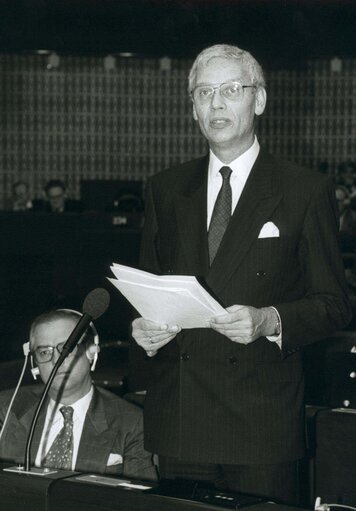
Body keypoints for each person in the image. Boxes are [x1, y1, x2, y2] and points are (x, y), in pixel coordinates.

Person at [131, 44, 351, 503]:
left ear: (260, 100)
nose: (216, 104)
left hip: (260, 425)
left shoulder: (304, 190)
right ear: (192, 108)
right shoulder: (166, 190)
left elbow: (334, 304)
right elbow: (148, 289)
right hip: (180, 420)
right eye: (204, 93)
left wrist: (270, 320)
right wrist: (143, 328)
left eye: (231, 90)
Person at [0, 309, 157, 480]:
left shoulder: (131, 422)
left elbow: (140, 502)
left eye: (67, 349)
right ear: (34, 363)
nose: (56, 360)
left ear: (91, 352)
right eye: (45, 352)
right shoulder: (7, 408)